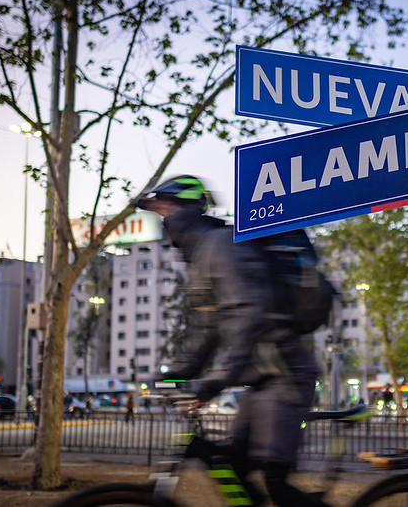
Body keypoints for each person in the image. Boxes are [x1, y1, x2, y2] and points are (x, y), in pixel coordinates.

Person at [138, 175, 325, 507]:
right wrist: (176, 375)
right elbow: (206, 333)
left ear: (187, 210)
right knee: (233, 464)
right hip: (262, 379)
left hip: (286, 375)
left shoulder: (221, 245)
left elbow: (249, 315)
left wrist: (215, 381)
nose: (163, 220)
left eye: (166, 210)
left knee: (274, 482)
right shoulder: (199, 258)